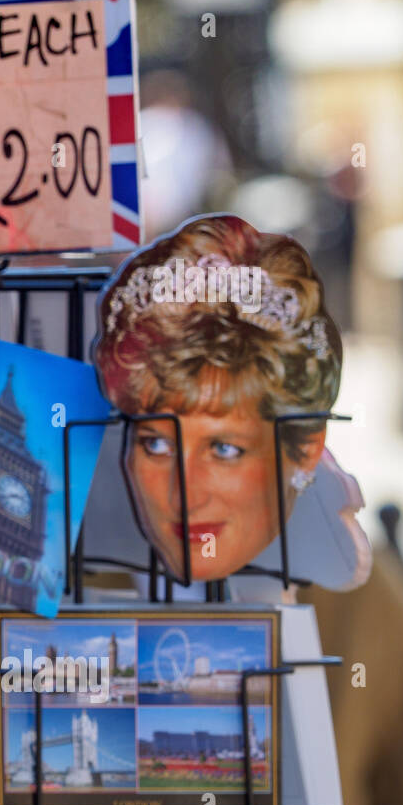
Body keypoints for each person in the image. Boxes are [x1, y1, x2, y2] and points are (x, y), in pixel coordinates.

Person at [93, 214, 342, 582]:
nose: (185, 497)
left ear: (306, 449)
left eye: (224, 449)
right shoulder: (75, 593)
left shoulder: (362, 613)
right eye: (156, 444)